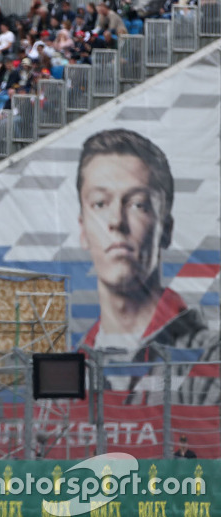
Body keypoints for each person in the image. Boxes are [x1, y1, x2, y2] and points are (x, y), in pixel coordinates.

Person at [77, 129, 218, 405]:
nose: (116, 221)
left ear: (165, 230)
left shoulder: (209, 354)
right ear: (83, 230)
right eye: (100, 203)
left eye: (138, 204)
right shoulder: (75, 362)